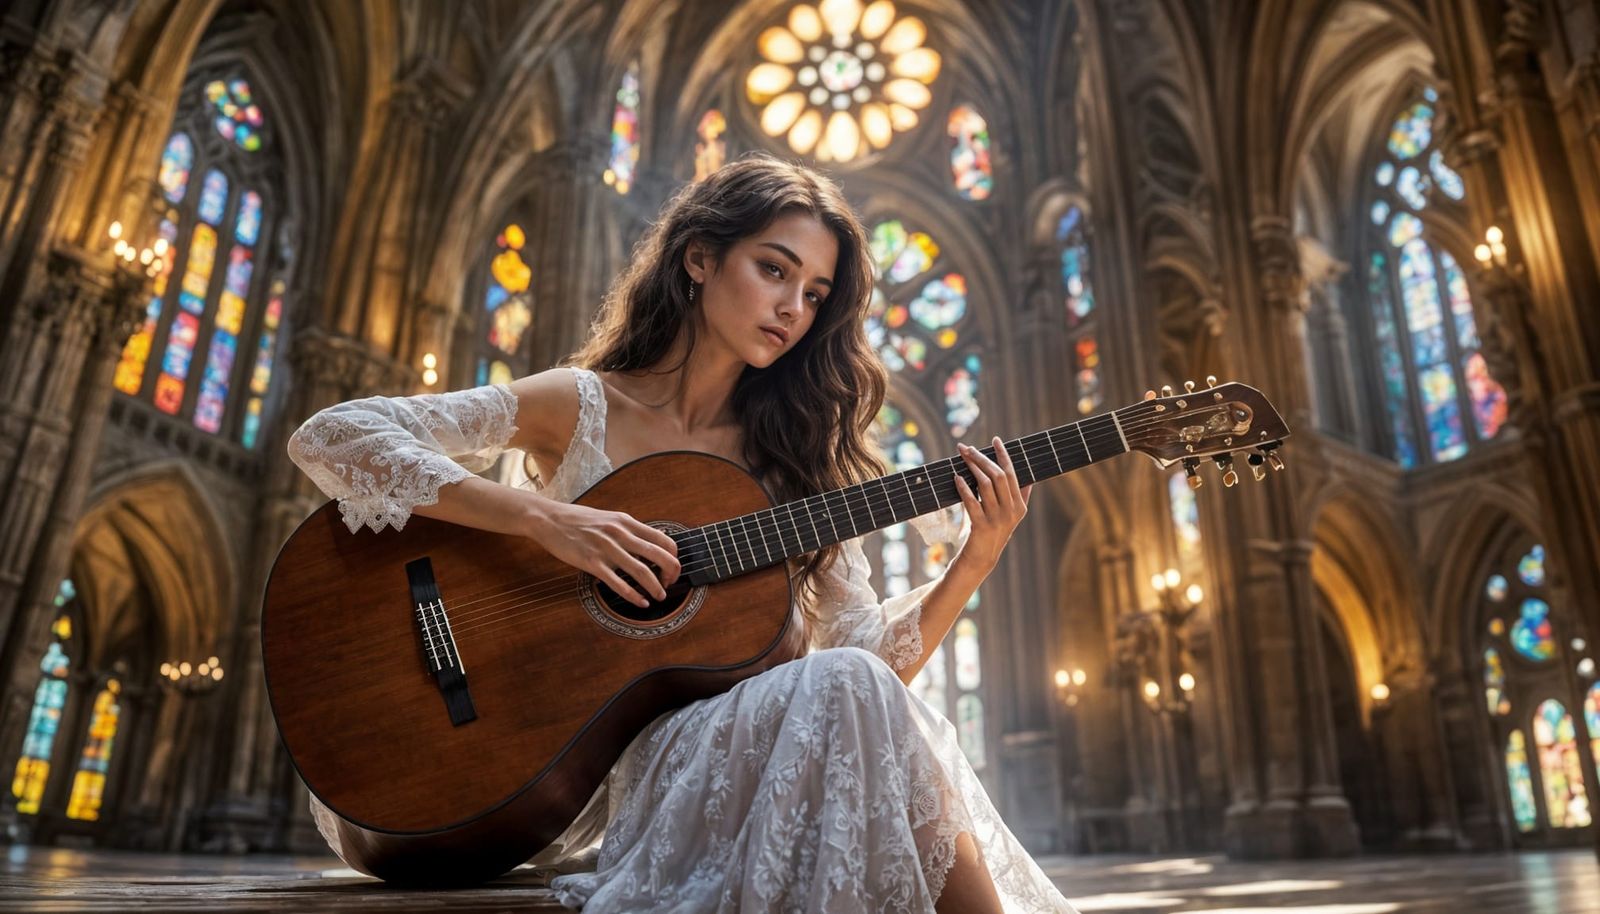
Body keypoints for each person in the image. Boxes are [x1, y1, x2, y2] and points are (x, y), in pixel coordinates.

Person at [287, 154, 1077, 913]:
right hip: (542, 754)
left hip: (708, 762)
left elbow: (865, 664)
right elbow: (335, 435)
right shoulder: (583, 406)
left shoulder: (798, 465)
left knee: (852, 685)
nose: (793, 307)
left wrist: (972, 563)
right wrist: (549, 519)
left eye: (815, 291)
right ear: (699, 258)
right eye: (774, 269)